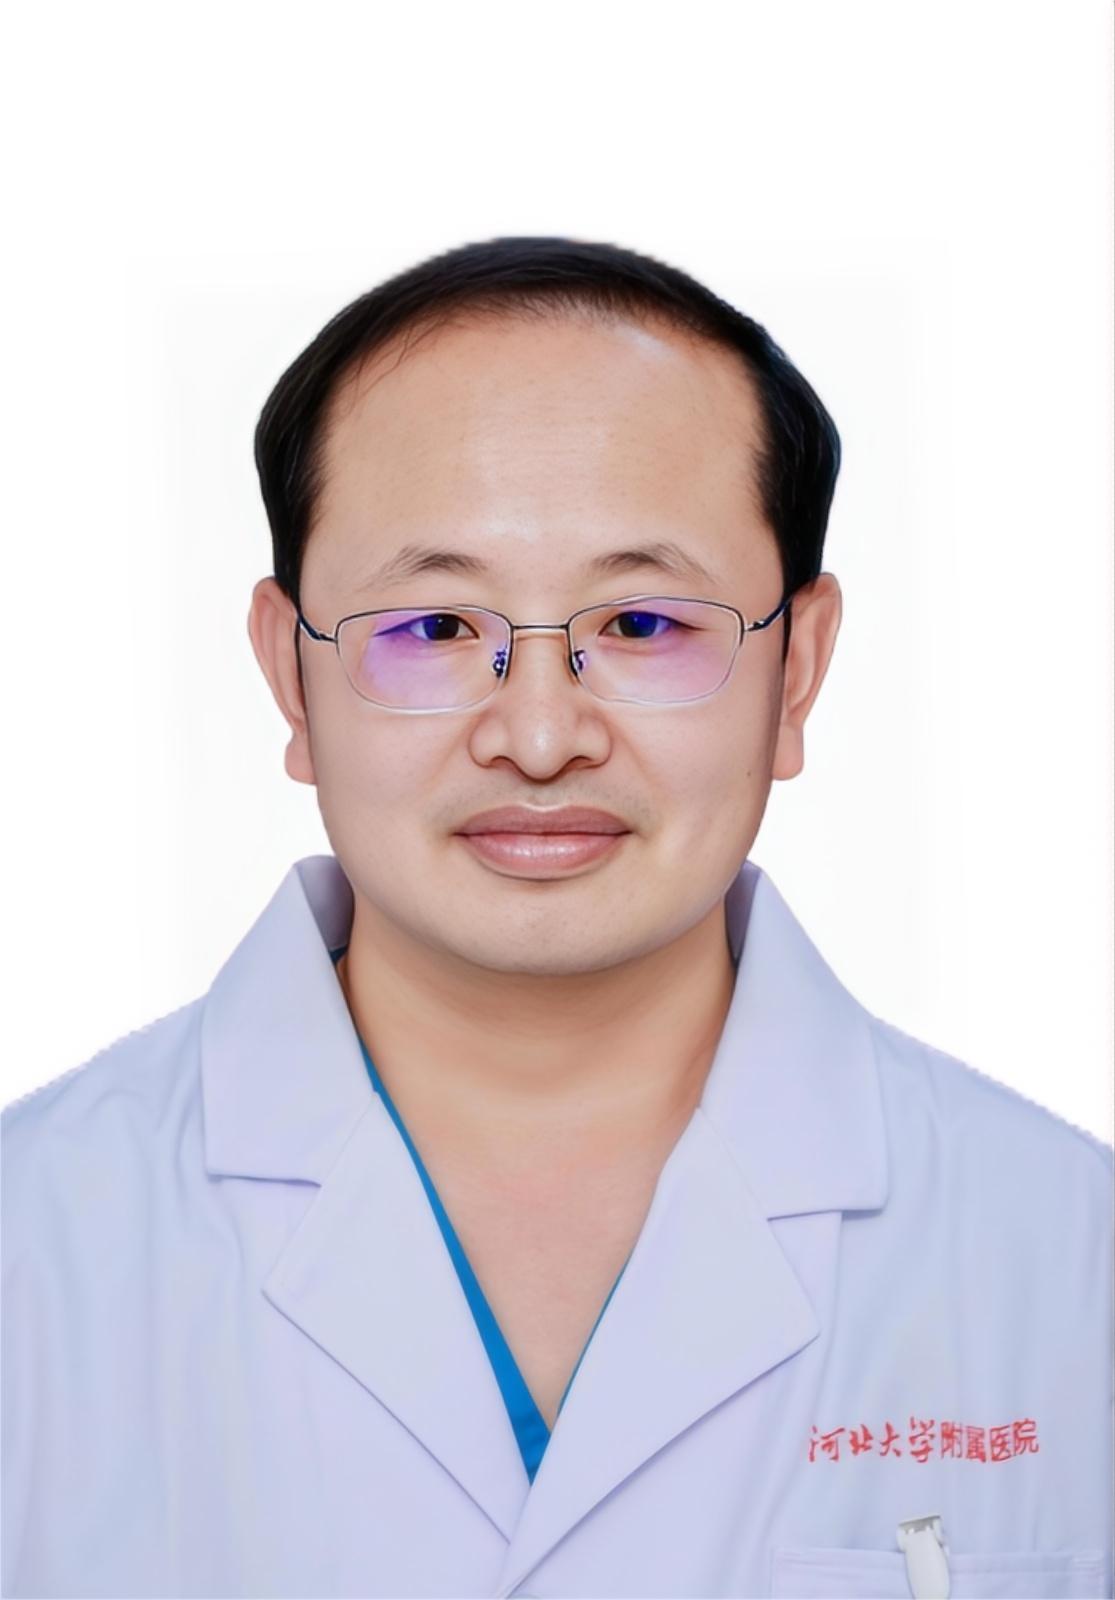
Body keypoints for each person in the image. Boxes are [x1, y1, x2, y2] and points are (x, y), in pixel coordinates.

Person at [2, 236, 1110, 1600]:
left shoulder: (1072, 1259)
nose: (538, 736)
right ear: (290, 674)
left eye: (642, 626)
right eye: (435, 629)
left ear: (798, 670)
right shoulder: (31, 1250)